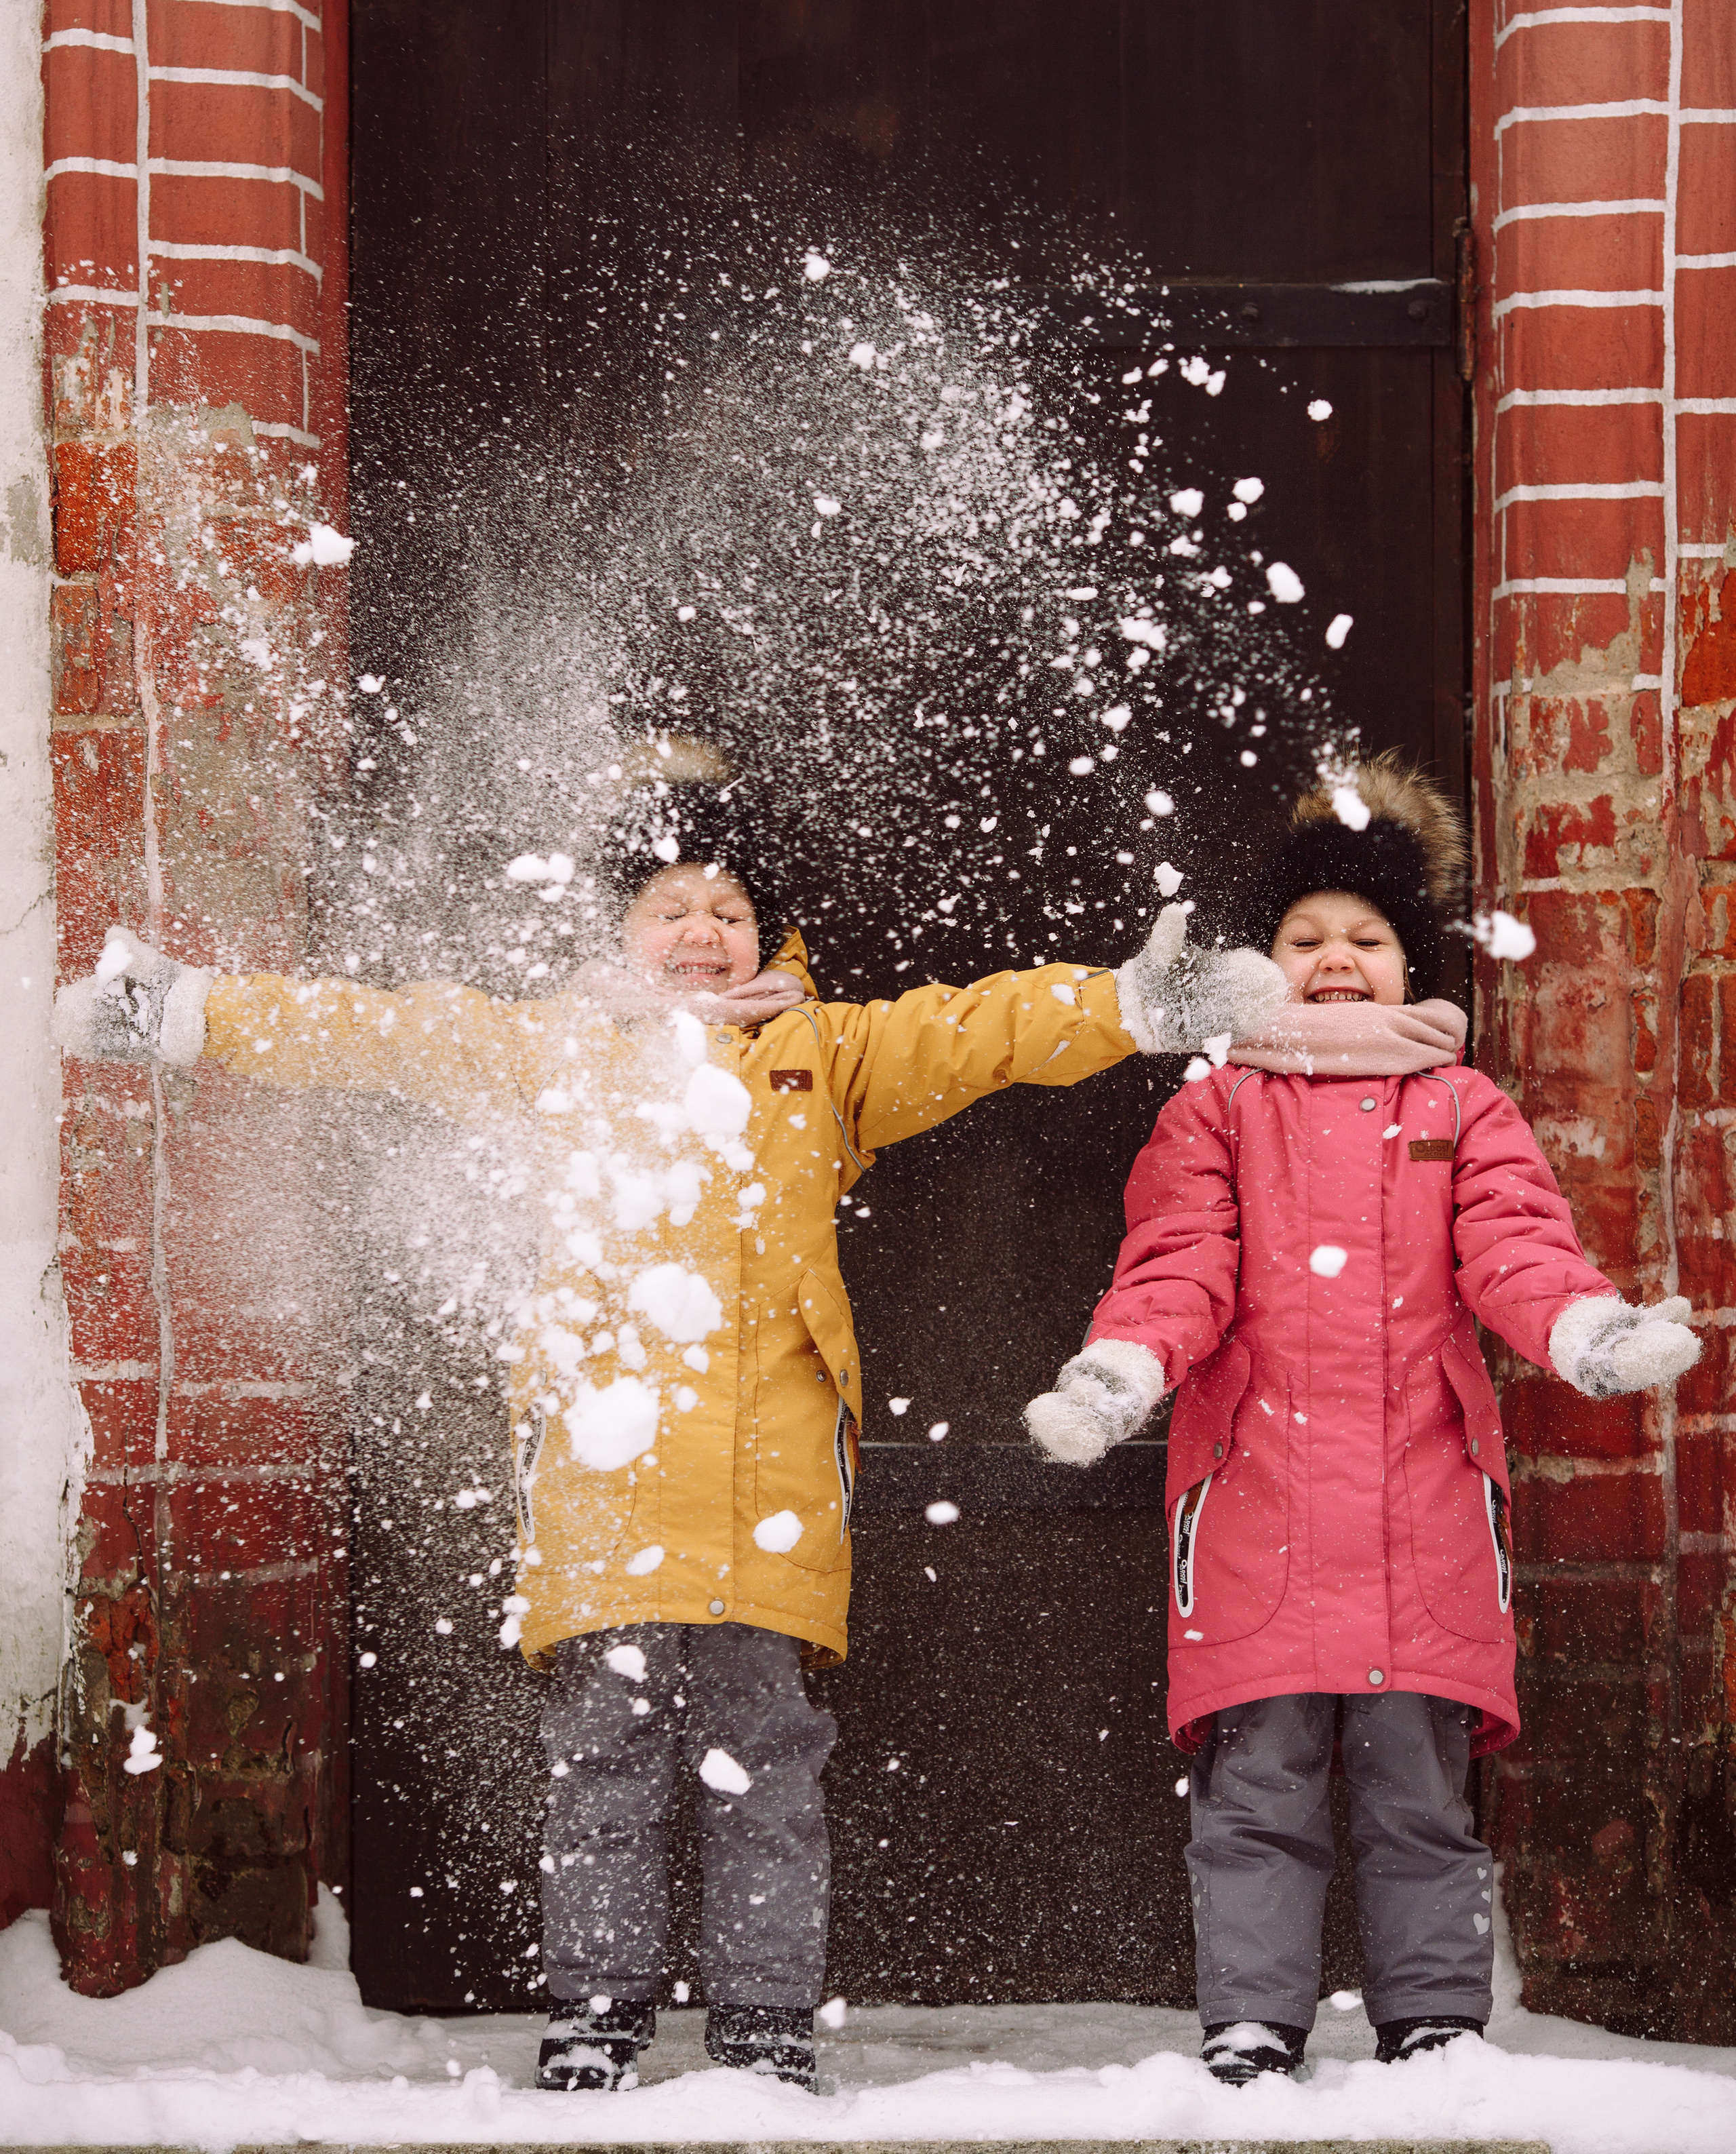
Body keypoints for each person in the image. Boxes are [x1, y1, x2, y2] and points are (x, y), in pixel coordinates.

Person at [56, 757, 1286, 2093]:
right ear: (620, 929)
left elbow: (971, 1030)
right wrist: (185, 1010)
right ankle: (596, 2017)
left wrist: (1115, 1005)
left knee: (767, 1765)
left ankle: (761, 2027)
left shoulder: (821, 1056)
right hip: (606, 1486)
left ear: (770, 936)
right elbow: (371, 1029)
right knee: (605, 1769)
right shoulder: (551, 1053)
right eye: (670, 906)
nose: (703, 933)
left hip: (773, 1486)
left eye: (730, 911)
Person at [1024, 753, 1702, 2088]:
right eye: (1303, 939)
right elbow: (1180, 1262)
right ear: (1260, 962)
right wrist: (1119, 1369)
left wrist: (1587, 1330)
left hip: (1423, 1512)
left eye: (1365, 938)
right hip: (1253, 1507)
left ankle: (1434, 2024)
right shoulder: (1215, 1107)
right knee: (1256, 1792)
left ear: (1409, 963)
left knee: (1419, 1803)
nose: (1335, 960)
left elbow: (1514, 1249)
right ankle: (1250, 2025)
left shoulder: (1459, 1110)